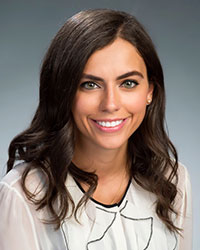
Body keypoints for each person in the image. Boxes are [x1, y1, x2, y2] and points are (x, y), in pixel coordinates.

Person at [0, 9, 192, 250]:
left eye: (128, 83)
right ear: (63, 92)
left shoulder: (173, 181)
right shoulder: (23, 195)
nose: (110, 104)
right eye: (89, 85)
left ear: (150, 91)